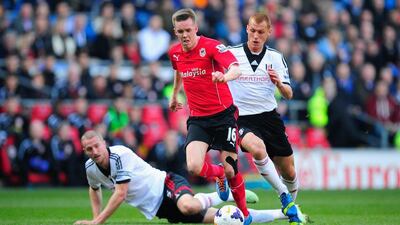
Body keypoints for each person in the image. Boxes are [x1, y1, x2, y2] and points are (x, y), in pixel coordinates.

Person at [73, 130, 305, 224]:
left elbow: (121, 193)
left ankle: (219, 193)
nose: (94, 152)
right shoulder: (90, 168)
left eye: (96, 146)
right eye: (89, 150)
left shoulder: (119, 155)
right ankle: (286, 215)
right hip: (159, 207)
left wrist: (96, 223)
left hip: (167, 184)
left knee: (187, 205)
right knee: (226, 220)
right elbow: (94, 189)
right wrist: (95, 216)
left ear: (104, 143)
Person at [167, 8, 251, 224]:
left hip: (224, 116)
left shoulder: (212, 46)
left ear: (195, 28)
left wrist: (224, 77)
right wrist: (175, 95)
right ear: (175, 31)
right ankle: (218, 174)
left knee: (232, 170)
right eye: (180, 31)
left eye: (188, 30)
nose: (184, 35)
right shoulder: (175, 52)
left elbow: (236, 68)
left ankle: (244, 212)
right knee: (194, 166)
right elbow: (178, 71)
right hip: (198, 119)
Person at [227, 13, 304, 224]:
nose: (255, 36)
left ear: (268, 33)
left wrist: (279, 84)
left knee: (289, 170)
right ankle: (284, 196)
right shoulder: (231, 54)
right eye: (252, 30)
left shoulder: (275, 57)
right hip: (240, 118)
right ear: (246, 29)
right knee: (257, 148)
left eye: (260, 32)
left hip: (269, 118)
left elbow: (289, 94)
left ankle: (290, 210)